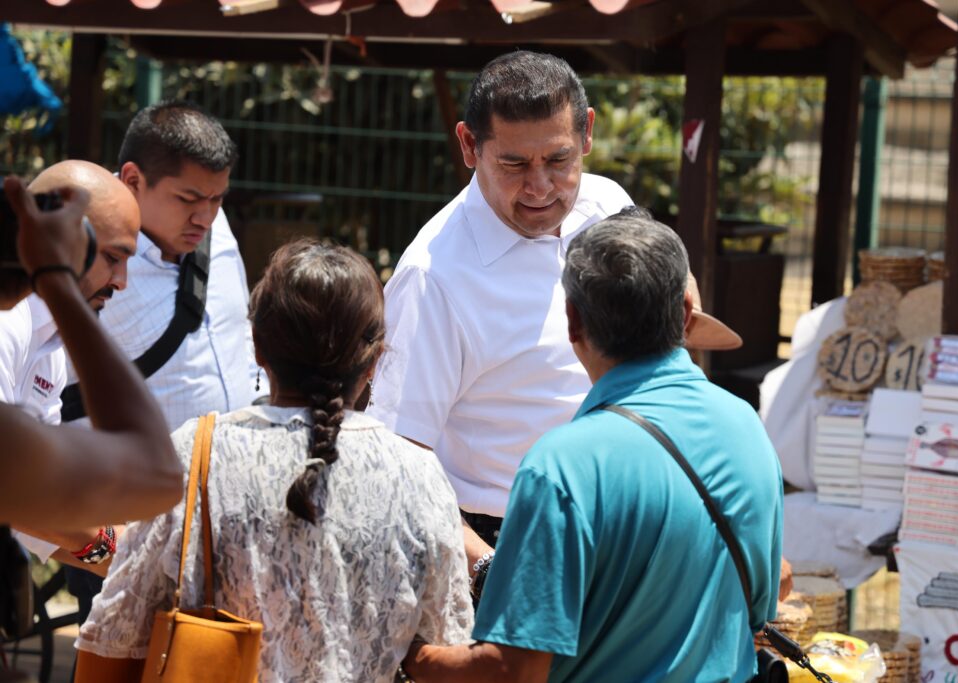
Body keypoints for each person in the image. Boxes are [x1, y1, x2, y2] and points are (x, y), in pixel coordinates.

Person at [402, 209, 785, 682]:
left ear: (573, 322)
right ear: (687, 314)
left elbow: (512, 670)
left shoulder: (562, 467)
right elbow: (766, 600)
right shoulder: (746, 426)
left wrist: (412, 654)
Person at [74, 239, 473, 682]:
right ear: (375, 360)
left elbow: (113, 635)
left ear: (258, 347)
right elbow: (447, 645)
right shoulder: (417, 476)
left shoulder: (195, 455)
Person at [367, 51, 635, 575]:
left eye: (558, 161)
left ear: (587, 135)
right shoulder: (432, 278)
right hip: (500, 542)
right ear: (469, 145)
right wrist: (492, 570)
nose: (539, 187)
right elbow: (397, 464)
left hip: (618, 529)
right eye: (513, 164)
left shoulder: (606, 206)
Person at [63, 100, 258, 432]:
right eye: (187, 199)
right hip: (125, 479)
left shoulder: (213, 220)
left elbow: (241, 331)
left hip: (234, 473)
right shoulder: (76, 251)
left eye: (218, 198)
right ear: (133, 180)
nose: (205, 218)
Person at [0, 176, 180, 528]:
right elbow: (154, 472)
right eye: (112, 256)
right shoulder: (11, 325)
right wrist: (54, 278)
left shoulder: (48, 344)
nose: (123, 281)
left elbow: (39, 503)